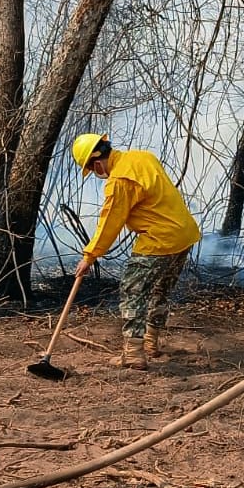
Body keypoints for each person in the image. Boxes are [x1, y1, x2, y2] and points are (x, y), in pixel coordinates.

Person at [72, 134, 202, 370]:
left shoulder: (120, 179)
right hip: (185, 233)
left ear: (96, 161)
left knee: (133, 290)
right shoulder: (142, 157)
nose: (95, 173)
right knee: (160, 289)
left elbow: (110, 222)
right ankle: (151, 343)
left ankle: (133, 353)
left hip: (160, 239)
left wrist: (89, 256)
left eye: (91, 168)